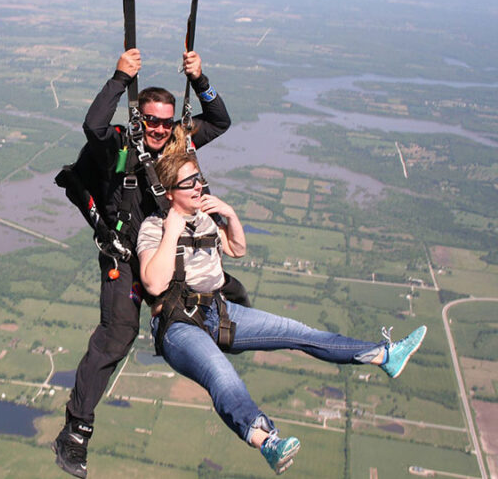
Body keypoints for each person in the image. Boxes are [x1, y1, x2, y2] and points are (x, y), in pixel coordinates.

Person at [136, 152, 428, 475]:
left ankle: (383, 355)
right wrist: (172, 230)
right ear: (168, 190)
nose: (198, 187)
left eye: (199, 179)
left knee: (296, 332)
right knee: (221, 374)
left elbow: (237, 249)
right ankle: (266, 439)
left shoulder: (204, 219)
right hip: (178, 326)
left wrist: (229, 214)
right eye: (189, 182)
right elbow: (153, 281)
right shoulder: (154, 227)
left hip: (219, 311)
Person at [53, 48, 232, 478]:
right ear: (139, 119)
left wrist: (201, 79)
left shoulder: (178, 142)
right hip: (124, 255)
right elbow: (92, 125)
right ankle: (76, 431)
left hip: (161, 250)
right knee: (118, 334)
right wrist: (119, 77)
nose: (157, 128)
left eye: (165, 121)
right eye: (150, 120)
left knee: (215, 294)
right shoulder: (118, 143)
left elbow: (220, 121)